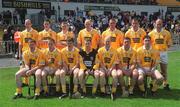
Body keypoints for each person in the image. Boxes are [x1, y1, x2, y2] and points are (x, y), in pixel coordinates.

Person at [148, 19, 172, 90]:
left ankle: (165, 83)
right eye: (157, 24)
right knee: (153, 69)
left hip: (163, 53)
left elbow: (169, 43)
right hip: (154, 54)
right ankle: (152, 82)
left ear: (162, 24)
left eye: (160, 24)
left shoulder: (167, 33)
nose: (159, 25)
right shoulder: (151, 34)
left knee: (164, 69)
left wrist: (165, 48)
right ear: (154, 24)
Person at [19, 19, 39, 85]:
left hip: (33, 53)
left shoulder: (35, 32)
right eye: (26, 23)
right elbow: (20, 44)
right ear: (24, 24)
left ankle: (37, 82)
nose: (27, 25)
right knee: (23, 66)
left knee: (34, 67)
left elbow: (37, 44)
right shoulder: (22, 33)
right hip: (25, 53)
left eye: (28, 23)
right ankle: (25, 82)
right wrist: (20, 53)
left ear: (31, 24)